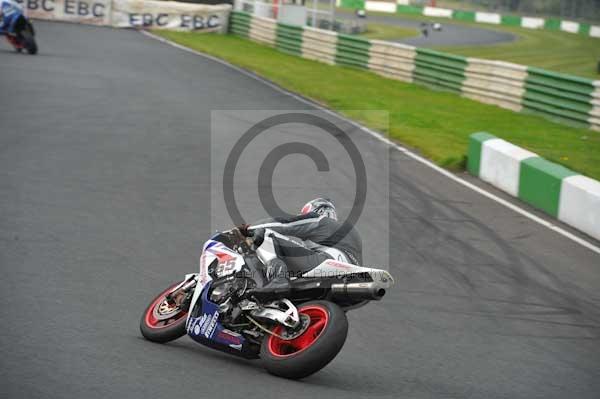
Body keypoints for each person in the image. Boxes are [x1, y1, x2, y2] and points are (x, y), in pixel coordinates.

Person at [240, 198, 363, 295]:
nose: (303, 216)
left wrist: (248, 229)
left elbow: (285, 224)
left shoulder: (322, 221)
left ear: (319, 211)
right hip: (349, 279)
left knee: (267, 235)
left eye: (305, 214)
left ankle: (278, 279)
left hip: (327, 264)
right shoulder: (352, 236)